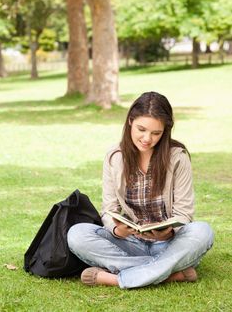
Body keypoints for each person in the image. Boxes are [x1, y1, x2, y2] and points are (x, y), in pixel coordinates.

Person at [67, 91, 214, 289]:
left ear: (165, 131)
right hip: (129, 243)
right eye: (141, 129)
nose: (147, 138)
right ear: (130, 121)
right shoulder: (115, 157)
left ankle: (116, 279)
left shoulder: (178, 157)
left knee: (202, 231)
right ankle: (170, 272)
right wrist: (118, 231)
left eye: (156, 133)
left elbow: (184, 212)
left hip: (169, 244)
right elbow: (108, 208)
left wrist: (168, 233)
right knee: (77, 234)